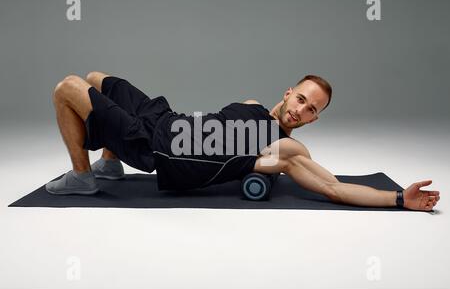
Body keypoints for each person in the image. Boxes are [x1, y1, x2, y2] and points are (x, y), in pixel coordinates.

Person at [45, 72, 440, 212]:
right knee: (98, 77)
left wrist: (399, 199)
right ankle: (109, 163)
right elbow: (209, 130)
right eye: (301, 99)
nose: (301, 111)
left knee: (68, 87)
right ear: (288, 92)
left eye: (311, 110)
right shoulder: (251, 104)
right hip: (165, 118)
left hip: (156, 149)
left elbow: (333, 187)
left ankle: (84, 175)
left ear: (315, 119)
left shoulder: (284, 149)